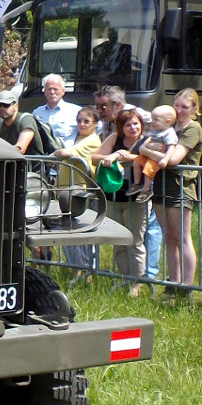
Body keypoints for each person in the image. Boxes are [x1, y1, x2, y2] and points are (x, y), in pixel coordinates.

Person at [148, 88, 202, 295]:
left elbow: (173, 159)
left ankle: (186, 288)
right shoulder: (168, 127)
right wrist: (154, 149)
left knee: (182, 237)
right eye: (176, 105)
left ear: (194, 109)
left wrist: (149, 150)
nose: (179, 110)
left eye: (184, 107)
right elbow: (149, 146)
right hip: (162, 185)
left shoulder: (193, 128)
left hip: (182, 187)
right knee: (169, 236)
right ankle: (173, 283)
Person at [93, 109, 150, 294]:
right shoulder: (114, 138)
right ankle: (123, 278)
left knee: (135, 241)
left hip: (136, 200)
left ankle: (137, 283)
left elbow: (147, 158)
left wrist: (123, 155)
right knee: (118, 241)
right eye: (128, 124)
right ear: (121, 127)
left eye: (136, 123)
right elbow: (95, 157)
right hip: (113, 197)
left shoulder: (147, 140)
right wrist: (111, 156)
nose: (133, 128)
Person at [57, 107, 103, 275]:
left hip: (79, 192)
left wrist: (55, 153)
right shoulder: (77, 138)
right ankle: (74, 268)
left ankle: (84, 270)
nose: (82, 124)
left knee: (78, 232)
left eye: (86, 121)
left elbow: (64, 152)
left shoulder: (92, 141)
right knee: (68, 231)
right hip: (66, 190)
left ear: (96, 124)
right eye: (79, 121)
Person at [128, 105, 179, 203]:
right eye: (152, 119)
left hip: (157, 158)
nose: (152, 122)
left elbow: (171, 147)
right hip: (149, 155)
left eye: (156, 120)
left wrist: (165, 159)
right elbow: (148, 141)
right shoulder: (156, 130)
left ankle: (147, 189)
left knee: (148, 167)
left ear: (168, 121)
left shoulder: (169, 133)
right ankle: (137, 183)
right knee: (136, 161)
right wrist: (147, 146)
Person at [32, 73, 81, 146]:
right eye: (49, 89)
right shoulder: (36, 113)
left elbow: (96, 127)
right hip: (43, 156)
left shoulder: (76, 111)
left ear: (63, 91)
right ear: (44, 91)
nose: (52, 92)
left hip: (66, 156)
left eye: (55, 89)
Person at [0, 90, 42, 155]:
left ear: (16, 106)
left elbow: (20, 149)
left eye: (6, 105)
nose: (2, 108)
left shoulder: (26, 119)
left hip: (31, 164)